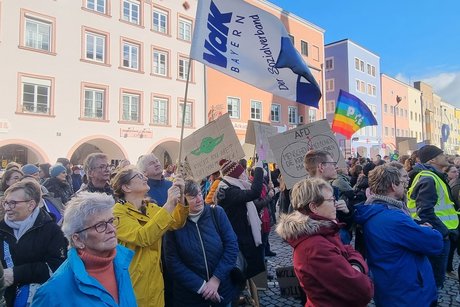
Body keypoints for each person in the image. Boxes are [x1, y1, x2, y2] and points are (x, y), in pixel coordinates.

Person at [276, 178, 373, 307]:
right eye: (331, 200)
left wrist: (354, 265)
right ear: (314, 207)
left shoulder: (323, 231)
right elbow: (363, 290)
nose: (335, 203)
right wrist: (357, 267)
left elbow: (348, 249)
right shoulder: (315, 246)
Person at [355, 164, 443, 306]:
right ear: (393, 186)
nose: (405, 186)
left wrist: (416, 228)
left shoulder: (373, 209)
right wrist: (429, 230)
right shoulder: (393, 218)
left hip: (390, 285)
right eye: (402, 183)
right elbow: (435, 243)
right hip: (408, 292)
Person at [32, 192, 137, 306]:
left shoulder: (123, 263)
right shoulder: (53, 291)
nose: (111, 229)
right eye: (100, 225)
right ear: (78, 240)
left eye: (111, 221)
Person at [111, 165, 188, 307]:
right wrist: (169, 203)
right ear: (126, 187)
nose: (145, 177)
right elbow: (143, 237)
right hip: (134, 284)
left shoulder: (150, 207)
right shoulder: (117, 214)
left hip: (155, 282)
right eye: (139, 176)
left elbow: (177, 223)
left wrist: (181, 197)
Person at [164, 179, 238, 307]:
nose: (199, 199)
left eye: (199, 194)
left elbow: (232, 246)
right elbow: (172, 261)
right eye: (192, 197)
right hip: (190, 297)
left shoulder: (217, 212)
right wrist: (202, 286)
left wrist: (216, 279)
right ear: (181, 200)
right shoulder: (173, 223)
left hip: (222, 290)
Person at [1, 180, 67, 306]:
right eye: (6, 203)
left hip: (40, 299)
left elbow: (57, 267)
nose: (7, 208)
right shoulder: (1, 229)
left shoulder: (51, 230)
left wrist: (16, 274)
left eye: (13, 203)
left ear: (31, 205)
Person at [407, 145, 459, 290]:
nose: (446, 156)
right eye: (442, 154)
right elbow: (425, 211)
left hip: (440, 233)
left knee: (435, 278)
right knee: (435, 281)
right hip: (438, 235)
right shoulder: (428, 178)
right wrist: (444, 232)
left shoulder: (434, 176)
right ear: (432, 160)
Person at [215, 159, 266, 282]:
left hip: (241, 231)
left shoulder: (233, 186)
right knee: (241, 269)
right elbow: (254, 193)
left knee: (248, 266)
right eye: (242, 173)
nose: (244, 175)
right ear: (235, 175)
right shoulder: (228, 191)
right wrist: (258, 168)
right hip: (237, 236)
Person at [303, 150, 354, 244]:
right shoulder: (304, 194)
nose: (336, 167)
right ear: (321, 167)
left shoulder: (333, 190)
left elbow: (343, 225)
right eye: (333, 163)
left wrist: (346, 213)